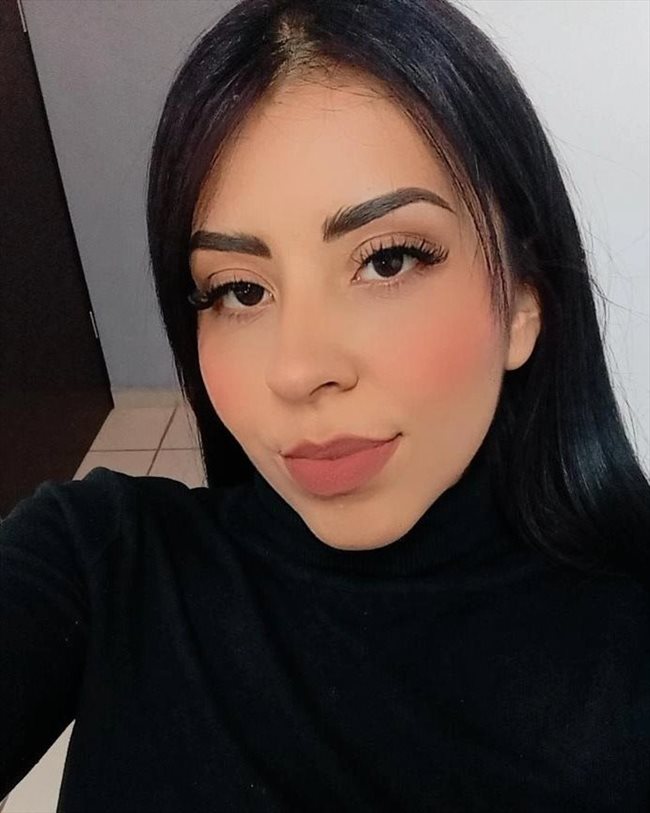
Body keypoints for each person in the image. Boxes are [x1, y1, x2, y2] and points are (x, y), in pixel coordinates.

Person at [2, 0, 649, 810]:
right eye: (239, 290)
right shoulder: (104, 560)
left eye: (387, 261)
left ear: (523, 300)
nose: (298, 368)